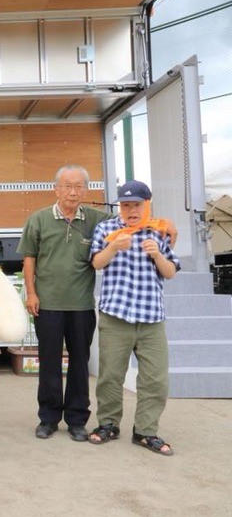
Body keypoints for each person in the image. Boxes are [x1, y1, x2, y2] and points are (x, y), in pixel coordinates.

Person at [17, 165, 109, 442]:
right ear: (56, 189)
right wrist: (31, 294)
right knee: (49, 363)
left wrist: (166, 226)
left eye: (79, 186)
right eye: (67, 186)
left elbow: (129, 221)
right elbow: (29, 260)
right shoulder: (39, 220)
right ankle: (48, 418)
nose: (73, 191)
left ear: (85, 190)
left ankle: (77, 420)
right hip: (48, 305)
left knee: (81, 363)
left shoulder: (97, 220)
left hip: (81, 305)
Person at [87, 180, 179, 455]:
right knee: (110, 376)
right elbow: (96, 263)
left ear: (147, 205)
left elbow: (170, 272)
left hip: (151, 318)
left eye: (137, 205)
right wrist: (114, 247)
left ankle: (145, 431)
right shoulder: (107, 229)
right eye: (126, 205)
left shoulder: (159, 231)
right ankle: (108, 424)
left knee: (155, 379)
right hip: (115, 314)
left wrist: (157, 256)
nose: (131, 211)